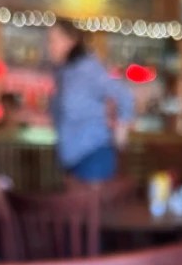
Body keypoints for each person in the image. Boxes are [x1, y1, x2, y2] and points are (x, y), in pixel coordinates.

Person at [48, 19, 134, 183]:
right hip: (71, 159)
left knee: (91, 208)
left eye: (53, 40)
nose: (49, 47)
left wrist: (122, 129)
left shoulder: (87, 69)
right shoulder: (63, 73)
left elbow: (124, 95)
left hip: (93, 157)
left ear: (70, 41)